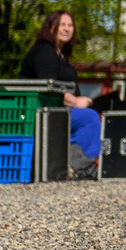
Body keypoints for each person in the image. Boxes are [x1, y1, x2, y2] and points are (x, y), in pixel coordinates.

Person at [19, 10, 103, 179]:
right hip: (41, 110)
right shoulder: (44, 52)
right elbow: (48, 88)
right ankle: (79, 167)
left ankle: (74, 165)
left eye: (70, 25)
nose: (67, 29)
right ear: (51, 27)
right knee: (89, 118)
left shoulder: (60, 55)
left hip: (58, 110)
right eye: (62, 24)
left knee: (92, 116)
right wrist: (75, 101)